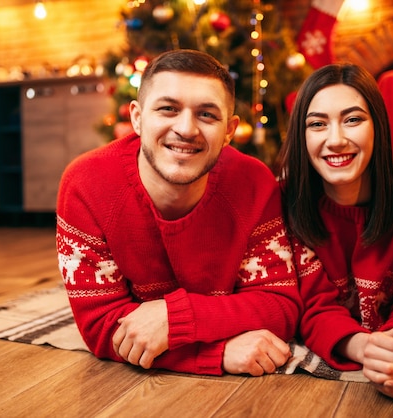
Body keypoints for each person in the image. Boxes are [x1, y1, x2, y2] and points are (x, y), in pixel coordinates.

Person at [56, 49, 302, 377]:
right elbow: (101, 326)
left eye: (207, 115)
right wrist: (219, 353)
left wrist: (174, 318)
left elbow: (279, 306)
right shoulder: (85, 184)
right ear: (137, 118)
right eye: (168, 109)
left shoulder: (254, 183)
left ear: (230, 131)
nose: (186, 129)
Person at [277, 63, 393, 400]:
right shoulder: (285, 203)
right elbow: (312, 307)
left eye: (353, 120)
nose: (336, 140)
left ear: (378, 126)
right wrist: (365, 348)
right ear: (301, 136)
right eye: (317, 124)